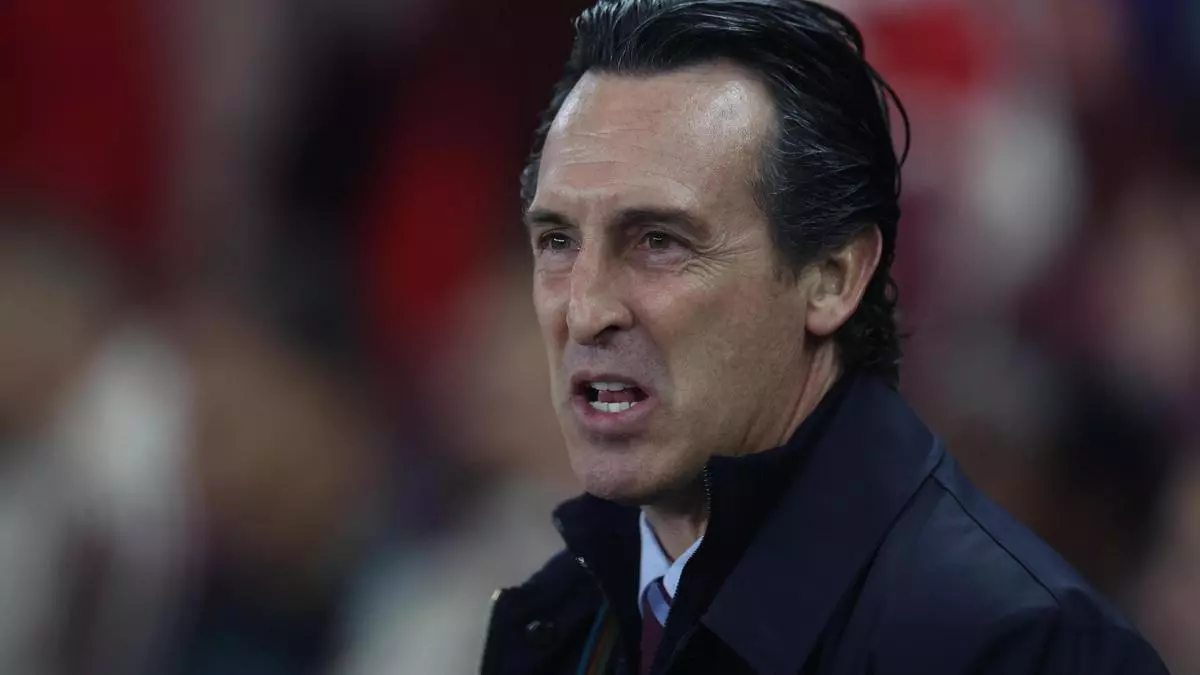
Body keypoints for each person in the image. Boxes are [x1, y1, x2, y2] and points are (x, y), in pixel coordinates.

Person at [481, 1, 1168, 674]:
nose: (585, 309)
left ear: (833, 278)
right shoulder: (552, 626)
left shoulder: (1028, 650)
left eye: (658, 240)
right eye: (558, 240)